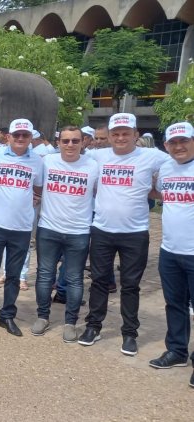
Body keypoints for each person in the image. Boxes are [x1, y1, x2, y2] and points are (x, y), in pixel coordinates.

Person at [79, 113, 170, 355]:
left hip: (135, 232)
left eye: (125, 133)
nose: (120, 138)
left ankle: (129, 334)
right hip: (102, 230)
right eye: (116, 134)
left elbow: (177, 165)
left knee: (130, 286)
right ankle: (93, 327)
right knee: (98, 282)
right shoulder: (97, 156)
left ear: (135, 135)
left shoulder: (152, 157)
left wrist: (157, 191)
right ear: (109, 136)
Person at [31, 126, 98, 341]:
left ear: (83, 142)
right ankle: (43, 316)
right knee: (44, 275)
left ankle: (71, 322)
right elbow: (36, 186)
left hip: (78, 231)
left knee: (74, 279)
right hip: (49, 228)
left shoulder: (93, 166)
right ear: (58, 142)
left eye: (75, 141)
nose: (70, 145)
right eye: (66, 141)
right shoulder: (47, 162)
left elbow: (98, 193)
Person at [0, 118, 44, 337]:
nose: (21, 139)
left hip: (22, 226)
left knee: (14, 275)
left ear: (30, 137)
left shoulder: (37, 161)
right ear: (8, 137)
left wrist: (34, 197)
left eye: (25, 135)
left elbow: (38, 187)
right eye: (17, 135)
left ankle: (7, 316)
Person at [148, 122, 194, 388]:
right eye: (173, 143)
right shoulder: (166, 169)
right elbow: (162, 194)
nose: (179, 146)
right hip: (170, 249)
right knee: (174, 304)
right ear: (166, 146)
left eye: (184, 141)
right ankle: (177, 351)